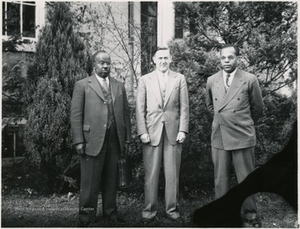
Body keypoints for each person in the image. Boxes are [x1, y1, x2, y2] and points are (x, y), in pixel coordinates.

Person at [70, 50, 131, 226]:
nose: (105, 66)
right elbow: (76, 115)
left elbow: (126, 114)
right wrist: (79, 140)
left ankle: (110, 213)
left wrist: (126, 138)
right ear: (94, 65)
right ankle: (86, 216)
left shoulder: (119, 85)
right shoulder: (82, 85)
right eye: (101, 63)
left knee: (111, 180)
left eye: (108, 63)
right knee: (89, 182)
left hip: (115, 140)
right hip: (91, 140)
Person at [205, 44, 264, 226]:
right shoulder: (212, 80)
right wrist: (221, 120)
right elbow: (210, 107)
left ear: (237, 58)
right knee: (220, 178)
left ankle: (250, 214)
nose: (227, 61)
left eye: (231, 57)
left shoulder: (249, 79)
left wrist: (243, 122)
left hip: (242, 135)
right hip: (220, 135)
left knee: (245, 178)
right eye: (223, 58)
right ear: (220, 59)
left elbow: (258, 108)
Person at [136, 47, 189, 221]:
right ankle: (149, 209)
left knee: (172, 173)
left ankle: (171, 209)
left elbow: (184, 107)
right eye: (160, 58)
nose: (163, 61)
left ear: (171, 59)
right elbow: (140, 109)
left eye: (166, 58)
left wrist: (182, 129)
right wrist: (142, 131)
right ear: (153, 60)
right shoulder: (145, 80)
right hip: (151, 132)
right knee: (151, 173)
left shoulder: (179, 78)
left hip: (173, 132)